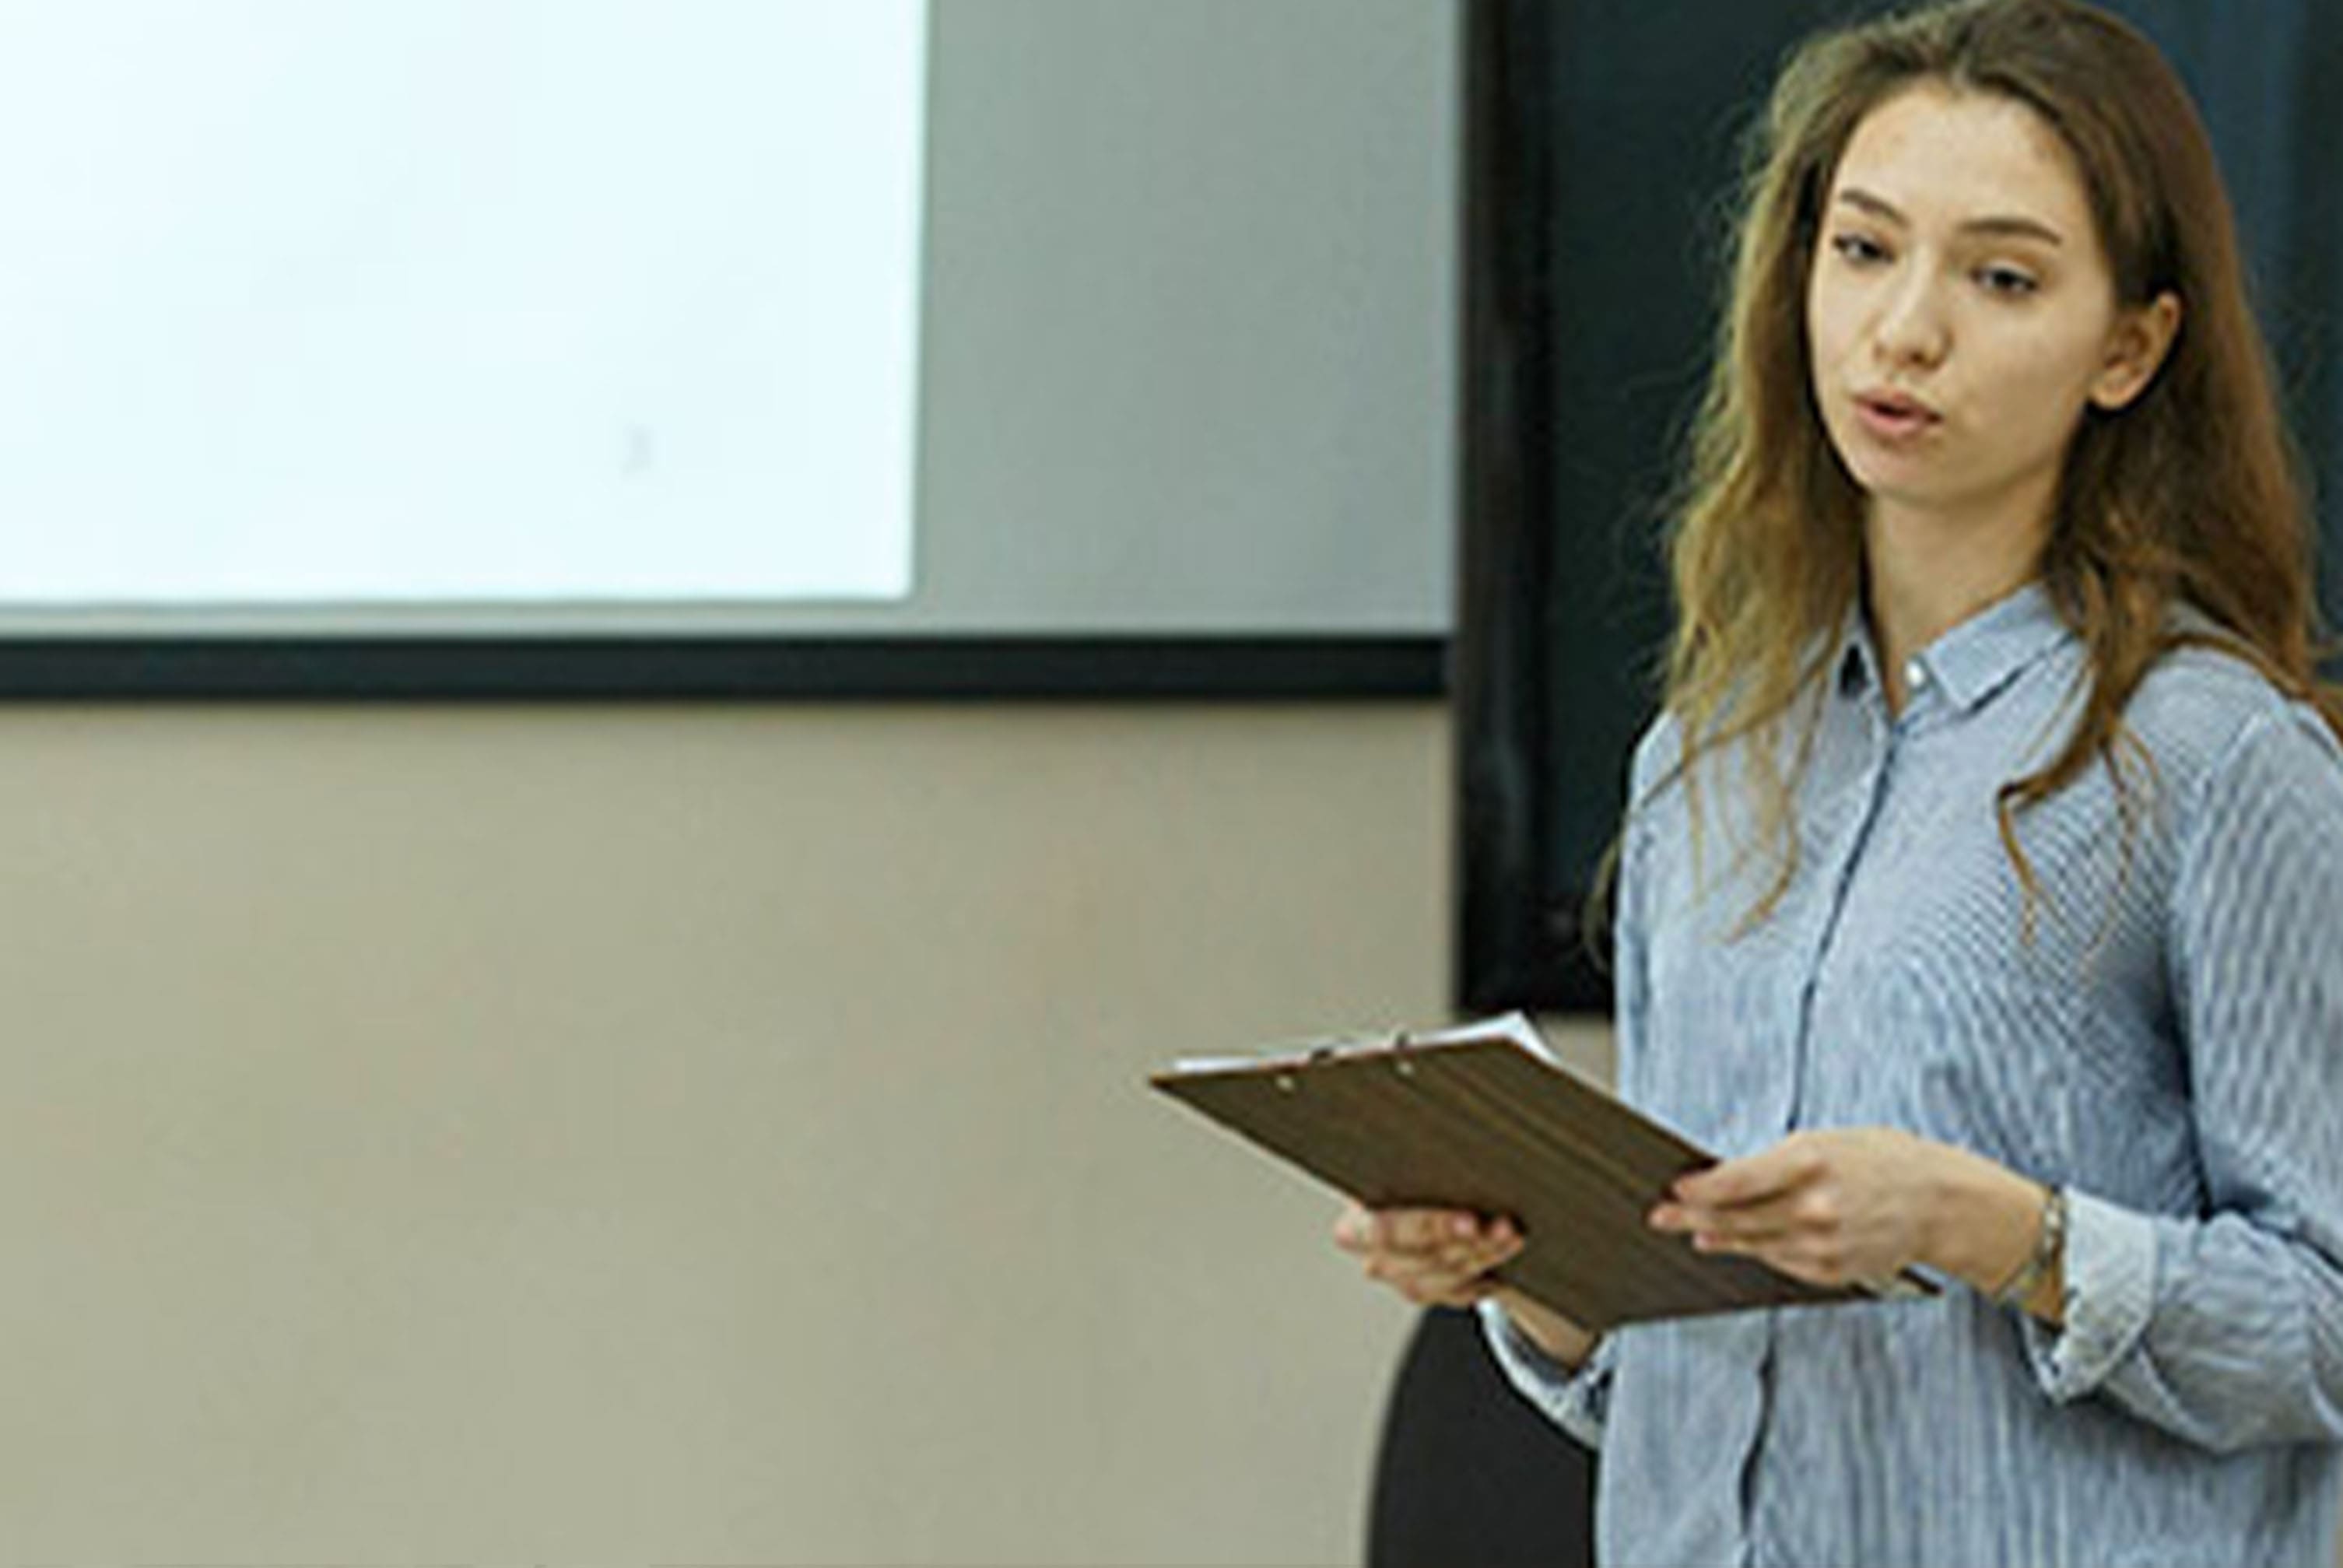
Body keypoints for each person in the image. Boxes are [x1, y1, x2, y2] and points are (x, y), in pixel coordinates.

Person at [1334, 0, 2343, 1562]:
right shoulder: (1704, 764)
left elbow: (2325, 1322)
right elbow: (1673, 1371)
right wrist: (1532, 1275)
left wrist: (1996, 1232)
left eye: (2001, 278)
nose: (1905, 329)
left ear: (2131, 348)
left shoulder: (2220, 760)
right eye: (1864, 250)